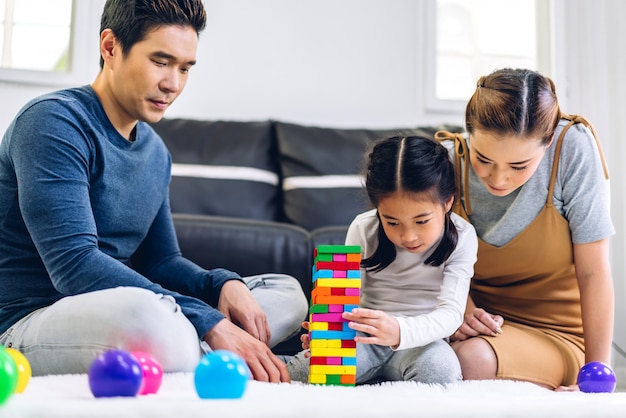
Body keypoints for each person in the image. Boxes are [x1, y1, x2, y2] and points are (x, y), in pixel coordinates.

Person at [0, 0, 308, 383]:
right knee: (154, 322)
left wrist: (224, 283)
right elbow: (74, 265)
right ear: (110, 47)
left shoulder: (156, 151)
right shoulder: (53, 122)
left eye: (184, 67)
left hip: (133, 312)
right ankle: (218, 354)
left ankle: (200, 352)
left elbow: (162, 262)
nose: (173, 84)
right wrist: (207, 319)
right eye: (160, 61)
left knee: (286, 292)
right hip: (32, 320)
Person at [435, 68, 614, 390]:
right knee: (432, 360)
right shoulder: (451, 160)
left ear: (548, 144)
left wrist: (596, 375)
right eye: (483, 158)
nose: (498, 179)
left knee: (471, 360)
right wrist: (461, 307)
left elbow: (593, 273)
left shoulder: (572, 148)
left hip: (556, 331)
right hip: (471, 324)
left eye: (519, 166)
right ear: (468, 135)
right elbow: (422, 254)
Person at [287, 135, 478, 384]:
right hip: (363, 338)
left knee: (442, 372)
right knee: (305, 370)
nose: (408, 235)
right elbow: (342, 300)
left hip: (423, 342)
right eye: (392, 222)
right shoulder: (363, 228)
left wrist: (399, 331)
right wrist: (325, 332)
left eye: (421, 221)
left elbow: (452, 314)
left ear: (447, 202)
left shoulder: (463, 236)